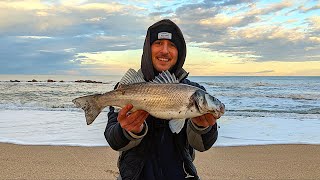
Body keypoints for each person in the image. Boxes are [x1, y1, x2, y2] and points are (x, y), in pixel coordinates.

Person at [105, 19, 220, 180]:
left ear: (180, 52)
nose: (165, 51)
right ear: (148, 49)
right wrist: (129, 130)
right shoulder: (123, 89)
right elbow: (113, 140)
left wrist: (201, 127)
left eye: (172, 45)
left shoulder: (195, 91)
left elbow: (203, 145)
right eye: (158, 43)